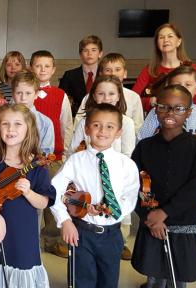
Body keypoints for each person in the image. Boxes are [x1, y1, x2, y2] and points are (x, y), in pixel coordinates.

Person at [51, 103, 140, 288]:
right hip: (82, 232)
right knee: (81, 282)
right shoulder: (76, 160)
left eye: (110, 126)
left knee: (108, 282)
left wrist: (114, 210)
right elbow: (54, 191)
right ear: (87, 129)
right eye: (96, 125)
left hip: (112, 234)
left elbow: (130, 196)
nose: (102, 131)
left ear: (118, 132)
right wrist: (65, 221)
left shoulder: (126, 164)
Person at [131, 85, 196, 288]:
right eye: (164, 107)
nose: (170, 113)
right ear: (155, 109)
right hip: (151, 220)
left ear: (189, 112)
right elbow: (133, 184)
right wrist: (148, 216)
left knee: (179, 277)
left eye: (178, 108)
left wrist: (164, 212)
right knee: (154, 276)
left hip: (183, 220)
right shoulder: (144, 147)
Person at [0, 103, 55, 287]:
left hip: (23, 235)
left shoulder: (38, 166)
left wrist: (29, 192)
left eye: (18, 124)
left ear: (29, 129)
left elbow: (43, 203)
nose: (10, 129)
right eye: (5, 124)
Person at [138, 65, 196, 160]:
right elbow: (141, 141)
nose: (182, 89)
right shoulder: (157, 111)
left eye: (188, 85)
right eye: (177, 85)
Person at [132, 23, 196, 111]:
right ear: (157, 44)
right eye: (161, 37)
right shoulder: (149, 69)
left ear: (178, 42)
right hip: (159, 116)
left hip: (188, 116)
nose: (165, 40)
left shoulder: (193, 69)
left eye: (170, 36)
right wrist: (150, 101)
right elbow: (133, 98)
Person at [74, 53, 144, 132]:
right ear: (101, 74)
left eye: (117, 69)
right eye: (108, 70)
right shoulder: (89, 96)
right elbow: (78, 124)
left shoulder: (134, 97)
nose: (113, 74)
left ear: (125, 73)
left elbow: (138, 127)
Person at [69, 75, 136, 157]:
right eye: (101, 94)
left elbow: (128, 155)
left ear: (118, 96)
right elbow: (72, 152)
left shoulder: (127, 123)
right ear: (94, 96)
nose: (106, 98)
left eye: (111, 94)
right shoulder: (84, 122)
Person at [30, 50, 73, 159]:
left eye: (47, 66)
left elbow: (66, 126)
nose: (43, 69)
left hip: (53, 155)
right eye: (38, 66)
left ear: (53, 70)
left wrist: (66, 153)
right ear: (31, 68)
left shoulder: (61, 95)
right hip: (26, 154)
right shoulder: (23, 93)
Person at [11, 70, 55, 155]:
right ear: (13, 94)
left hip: (34, 166)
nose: (23, 98)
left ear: (36, 95)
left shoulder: (46, 123)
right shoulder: (4, 119)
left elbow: (46, 154)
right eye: (19, 93)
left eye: (28, 93)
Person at [59, 35, 104, 117]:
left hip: (102, 116)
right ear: (80, 54)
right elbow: (60, 100)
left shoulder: (105, 74)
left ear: (100, 54)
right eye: (85, 50)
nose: (90, 53)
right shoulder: (69, 75)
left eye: (93, 50)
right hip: (76, 118)